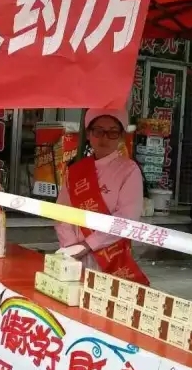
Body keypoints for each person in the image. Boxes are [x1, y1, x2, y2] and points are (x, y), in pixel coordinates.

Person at [55, 108, 149, 284]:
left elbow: (127, 218)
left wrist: (87, 245)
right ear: (89, 134)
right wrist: (71, 246)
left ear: (121, 136)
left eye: (112, 132)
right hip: (73, 257)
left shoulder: (129, 170)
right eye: (98, 131)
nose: (104, 138)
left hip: (111, 258)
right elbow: (62, 212)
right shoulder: (75, 171)